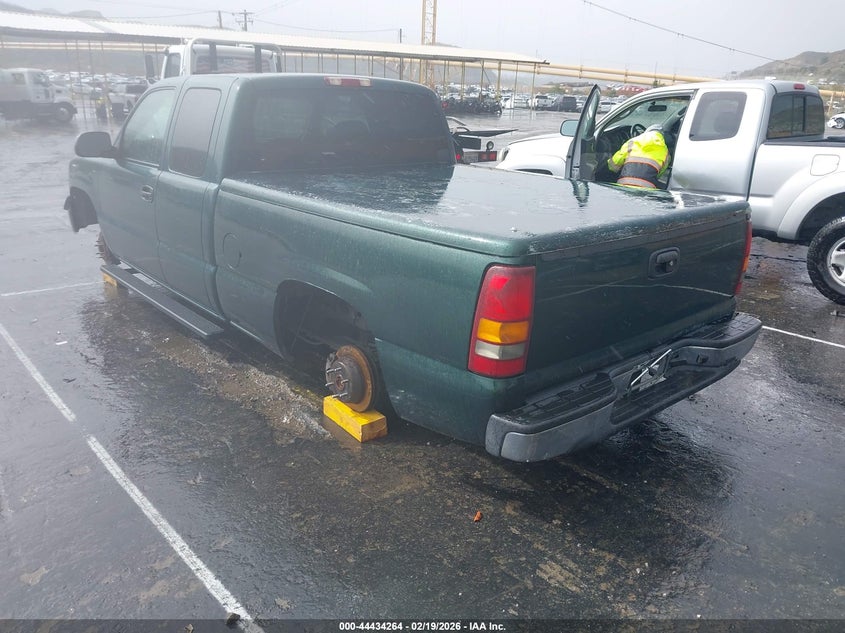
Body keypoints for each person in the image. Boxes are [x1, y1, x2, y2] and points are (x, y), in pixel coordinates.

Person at [607, 124, 670, 189]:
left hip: (623, 187)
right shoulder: (665, 151)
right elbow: (659, 174)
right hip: (646, 191)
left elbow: (613, 166)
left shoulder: (632, 142)